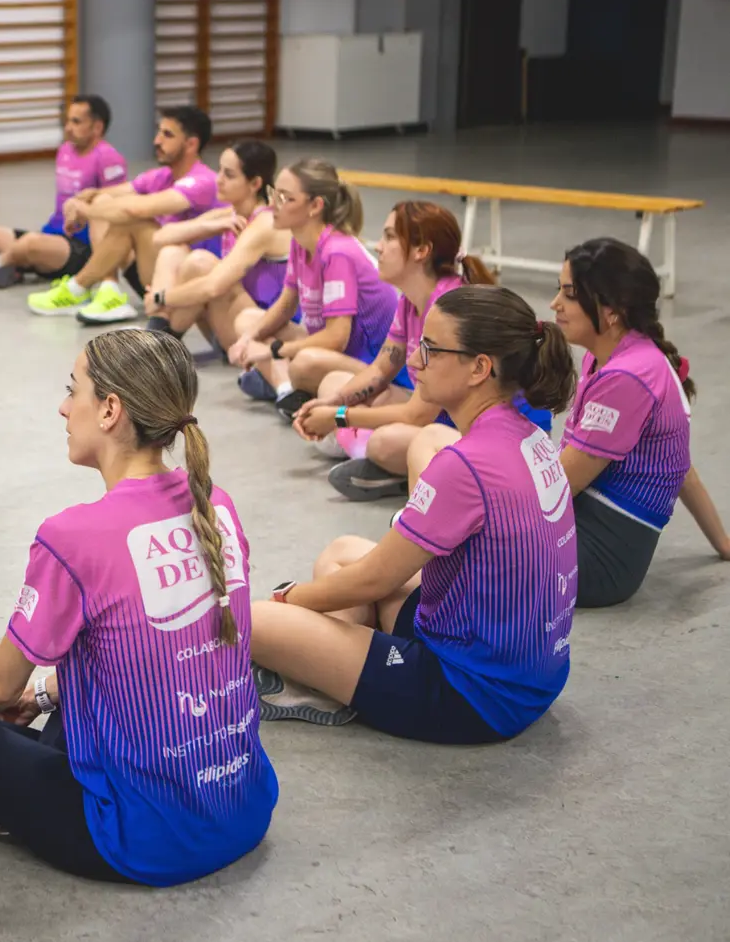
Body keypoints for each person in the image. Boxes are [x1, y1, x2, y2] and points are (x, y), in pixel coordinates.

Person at [0, 329, 278, 886]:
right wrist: (42, 694)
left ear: (110, 410)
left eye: (72, 390)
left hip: (145, 842)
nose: (63, 408)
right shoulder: (216, 504)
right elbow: (155, 657)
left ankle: (14, 803)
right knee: (87, 670)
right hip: (243, 807)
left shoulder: (74, 537)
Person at [250, 286, 579, 741]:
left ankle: (325, 675)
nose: (415, 361)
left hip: (472, 695)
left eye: (431, 349)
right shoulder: (530, 436)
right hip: (529, 672)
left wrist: (288, 598)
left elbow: (374, 581)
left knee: (256, 621)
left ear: (480, 368)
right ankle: (324, 674)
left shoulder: (464, 465)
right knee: (343, 551)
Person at [289, 202, 550, 499]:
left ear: (421, 250)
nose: (378, 246)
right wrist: (331, 403)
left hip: (506, 440)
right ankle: (381, 461)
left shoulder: (446, 308)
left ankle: (387, 464)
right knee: (334, 384)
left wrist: (339, 417)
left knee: (387, 441)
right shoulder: (410, 300)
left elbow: (417, 415)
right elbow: (380, 369)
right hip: (452, 414)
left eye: (389, 237)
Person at [549, 238, 730, 607]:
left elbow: (560, 485)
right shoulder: (618, 355)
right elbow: (681, 468)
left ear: (612, 310)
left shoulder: (627, 379)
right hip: (590, 533)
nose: (555, 304)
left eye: (570, 294)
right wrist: (723, 543)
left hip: (598, 561)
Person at [227, 159, 399, 422]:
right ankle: (288, 391)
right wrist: (248, 338)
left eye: (285, 198)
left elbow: (336, 338)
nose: (272, 205)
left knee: (304, 362)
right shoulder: (300, 243)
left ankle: (289, 385)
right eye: (274, 193)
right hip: (337, 353)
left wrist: (273, 351)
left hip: (374, 366)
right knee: (247, 321)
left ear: (315, 206)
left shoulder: (337, 252)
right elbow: (286, 305)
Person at [27, 105, 220, 325]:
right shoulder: (161, 176)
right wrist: (79, 200)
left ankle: (78, 288)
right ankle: (109, 290)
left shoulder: (202, 181)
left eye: (167, 135)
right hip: (155, 276)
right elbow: (105, 195)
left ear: (191, 144)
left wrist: (86, 211)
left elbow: (137, 210)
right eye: (158, 132)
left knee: (133, 220)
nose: (157, 141)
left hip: (185, 287)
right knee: (103, 204)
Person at [0, 94, 128, 289]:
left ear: (97, 127)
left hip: (79, 248)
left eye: (76, 122)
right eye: (67, 121)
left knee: (31, 243)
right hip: (51, 236)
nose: (68, 128)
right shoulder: (65, 150)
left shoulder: (108, 158)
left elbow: (115, 211)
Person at [142, 140, 291, 347]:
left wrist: (160, 298)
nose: (218, 180)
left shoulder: (266, 222)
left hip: (257, 328)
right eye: (219, 170)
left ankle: (156, 343)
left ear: (255, 183)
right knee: (172, 252)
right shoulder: (230, 214)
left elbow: (213, 287)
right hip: (227, 320)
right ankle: (157, 338)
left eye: (229, 175)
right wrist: (211, 226)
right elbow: (160, 237)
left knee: (200, 263)